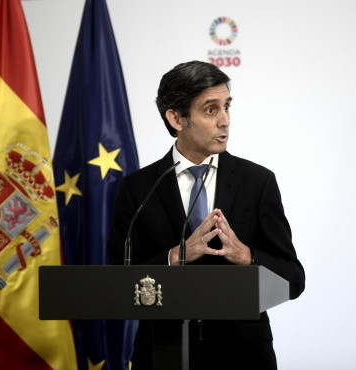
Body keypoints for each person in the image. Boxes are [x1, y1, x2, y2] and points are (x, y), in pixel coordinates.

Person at [107, 61, 305, 370]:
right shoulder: (138, 189)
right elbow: (115, 285)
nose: (225, 121)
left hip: (243, 354)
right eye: (211, 110)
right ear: (176, 118)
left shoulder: (257, 182)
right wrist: (175, 256)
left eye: (227, 107)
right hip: (162, 352)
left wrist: (247, 256)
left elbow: (293, 279)